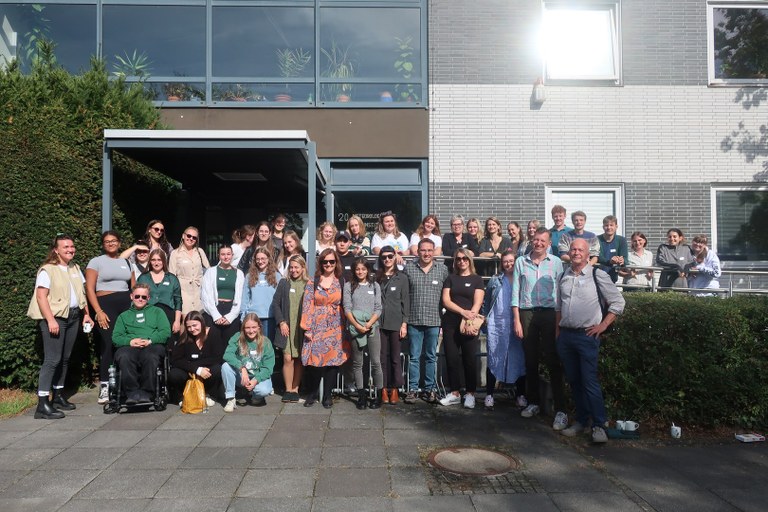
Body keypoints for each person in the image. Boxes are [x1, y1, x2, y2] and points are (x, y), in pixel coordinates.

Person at [557, 238, 625, 443]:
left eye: (580, 250)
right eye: (573, 249)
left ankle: (599, 425)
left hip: (587, 336)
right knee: (575, 382)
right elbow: (558, 308)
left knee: (589, 382)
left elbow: (618, 302)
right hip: (566, 336)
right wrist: (557, 335)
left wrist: (603, 326)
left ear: (588, 255)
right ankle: (581, 421)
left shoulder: (598, 274)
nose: (576, 252)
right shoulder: (563, 275)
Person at [28, 235, 93, 419]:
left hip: (72, 317)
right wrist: (50, 320)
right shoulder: (47, 270)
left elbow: (81, 293)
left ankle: (57, 397)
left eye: (72, 246)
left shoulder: (74, 268)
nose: (70, 249)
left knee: (65, 359)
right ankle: (42, 405)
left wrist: (86, 313)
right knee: (52, 360)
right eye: (66, 247)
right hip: (56, 318)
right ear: (56, 250)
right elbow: (41, 297)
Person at [511, 228, 568, 430]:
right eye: (536, 240)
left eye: (543, 240)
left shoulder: (556, 262)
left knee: (553, 359)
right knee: (531, 359)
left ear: (548, 243)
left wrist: (559, 320)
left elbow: (561, 292)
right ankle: (533, 402)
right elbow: (515, 292)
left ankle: (561, 409)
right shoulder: (520, 262)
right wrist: (516, 320)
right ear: (531, 241)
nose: (538, 243)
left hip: (549, 313)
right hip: (527, 312)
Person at [86, 230, 134, 404]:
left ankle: (124, 383)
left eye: (114, 241)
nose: (111, 243)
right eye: (107, 241)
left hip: (125, 306)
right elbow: (90, 289)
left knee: (126, 343)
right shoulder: (96, 261)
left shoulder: (126, 262)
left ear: (119, 243)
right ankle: (105, 386)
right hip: (105, 306)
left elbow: (134, 288)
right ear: (103, 244)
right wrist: (98, 311)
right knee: (108, 344)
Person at [402, 238, 449, 404]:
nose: (426, 253)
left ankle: (430, 389)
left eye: (430, 250)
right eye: (423, 250)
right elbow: (404, 296)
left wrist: (444, 321)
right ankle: (413, 389)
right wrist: (404, 321)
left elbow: (446, 297)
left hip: (434, 320)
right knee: (414, 357)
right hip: (414, 320)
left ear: (434, 251)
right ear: (418, 251)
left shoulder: (442, 270)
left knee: (431, 356)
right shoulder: (409, 269)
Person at [301, 248, 349, 408]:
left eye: (331, 261)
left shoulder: (341, 281)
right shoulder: (313, 281)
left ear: (336, 263)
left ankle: (328, 395)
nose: (328, 264)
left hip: (336, 326)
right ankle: (312, 393)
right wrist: (306, 328)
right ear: (320, 263)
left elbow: (346, 304)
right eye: (325, 261)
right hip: (316, 326)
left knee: (332, 362)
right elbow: (307, 305)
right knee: (314, 362)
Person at [439, 248, 485, 408]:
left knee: (469, 359)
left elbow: (478, 301)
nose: (461, 261)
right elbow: (446, 300)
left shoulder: (477, 279)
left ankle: (470, 393)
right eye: (458, 259)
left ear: (469, 260)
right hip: (451, 322)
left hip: (469, 323)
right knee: (451, 359)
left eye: (464, 259)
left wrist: (470, 317)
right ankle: (455, 393)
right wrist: (461, 311)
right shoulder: (450, 278)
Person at [481, 250, 526, 411]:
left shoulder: (523, 279)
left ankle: (520, 395)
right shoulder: (495, 280)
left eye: (511, 261)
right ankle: (489, 395)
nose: (509, 264)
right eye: (505, 261)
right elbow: (487, 302)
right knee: (494, 357)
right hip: (497, 324)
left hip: (516, 324)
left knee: (519, 358)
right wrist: (485, 321)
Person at [112, 283, 171, 404]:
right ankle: (132, 393)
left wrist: (150, 340)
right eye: (137, 296)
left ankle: (147, 392)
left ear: (148, 298)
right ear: (131, 296)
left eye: (144, 297)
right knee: (124, 356)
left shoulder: (157, 312)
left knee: (150, 356)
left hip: (152, 344)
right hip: (130, 345)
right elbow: (116, 337)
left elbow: (165, 332)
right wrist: (130, 341)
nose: (140, 299)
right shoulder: (123, 316)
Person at [344, 257, 383, 409]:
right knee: (357, 363)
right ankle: (361, 396)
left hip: (372, 327)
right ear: (354, 270)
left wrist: (369, 323)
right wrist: (357, 326)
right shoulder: (349, 286)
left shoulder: (375, 286)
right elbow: (347, 308)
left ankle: (378, 395)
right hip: (355, 328)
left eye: (363, 269)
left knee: (376, 362)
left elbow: (378, 308)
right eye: (357, 269)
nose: (360, 272)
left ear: (368, 270)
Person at [272, 255, 309, 403]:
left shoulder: (308, 284)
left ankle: (295, 389)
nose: (293, 270)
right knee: (287, 358)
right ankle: (288, 389)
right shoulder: (284, 283)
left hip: (301, 327)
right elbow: (275, 304)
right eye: (291, 267)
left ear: (302, 268)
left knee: (299, 358)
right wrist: (281, 322)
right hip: (287, 326)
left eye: (296, 267)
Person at [169, 311, 226, 406]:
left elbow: (218, 356)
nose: (192, 329)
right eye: (189, 327)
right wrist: (196, 369)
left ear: (202, 323)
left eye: (195, 325)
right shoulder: (185, 337)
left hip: (208, 370)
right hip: (190, 372)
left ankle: (210, 395)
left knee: (217, 369)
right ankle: (181, 397)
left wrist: (199, 367)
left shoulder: (213, 333)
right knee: (174, 374)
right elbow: (176, 359)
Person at [376, 246, 410, 405]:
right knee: (381, 357)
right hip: (379, 324)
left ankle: (395, 388)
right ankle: (383, 388)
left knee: (396, 357)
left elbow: (406, 302)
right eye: (384, 257)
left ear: (395, 257)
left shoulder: (402, 277)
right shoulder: (377, 277)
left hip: (396, 323)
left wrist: (404, 324)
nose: (387, 260)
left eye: (390, 256)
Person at [221, 313, 275, 411]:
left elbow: (268, 367)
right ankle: (231, 398)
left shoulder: (266, 342)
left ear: (259, 327)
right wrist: (242, 368)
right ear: (243, 328)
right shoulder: (237, 337)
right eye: (247, 328)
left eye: (254, 327)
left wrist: (256, 380)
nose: (251, 331)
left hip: (257, 375)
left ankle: (255, 396)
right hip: (242, 376)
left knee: (263, 390)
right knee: (225, 366)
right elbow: (227, 355)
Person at [202, 245, 244, 344]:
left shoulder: (239, 273)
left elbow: (241, 297)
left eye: (228, 254)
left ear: (232, 255)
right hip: (214, 310)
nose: (226, 257)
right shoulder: (210, 272)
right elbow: (205, 295)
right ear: (218, 256)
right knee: (213, 343)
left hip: (232, 311)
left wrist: (231, 316)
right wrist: (216, 315)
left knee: (230, 344)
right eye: (223, 254)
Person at [241, 247, 282, 341]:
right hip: (254, 317)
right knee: (254, 346)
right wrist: (243, 316)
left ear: (268, 259)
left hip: (270, 317)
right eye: (258, 259)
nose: (260, 261)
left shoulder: (277, 276)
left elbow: (280, 298)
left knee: (267, 346)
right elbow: (245, 297)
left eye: (263, 259)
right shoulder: (249, 276)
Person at [169, 226, 210, 316]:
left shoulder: (200, 251)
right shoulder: (175, 253)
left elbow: (209, 270)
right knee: (185, 319)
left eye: (194, 237)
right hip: (183, 292)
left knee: (199, 320)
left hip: (199, 292)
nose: (191, 239)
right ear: (183, 236)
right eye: (189, 236)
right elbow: (171, 276)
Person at [596, 215, 628, 283]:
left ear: (616, 227)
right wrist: (610, 261)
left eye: (611, 225)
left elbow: (625, 258)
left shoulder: (621, 240)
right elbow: (598, 256)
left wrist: (622, 260)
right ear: (603, 227)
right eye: (606, 225)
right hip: (597, 277)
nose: (609, 227)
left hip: (613, 278)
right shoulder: (597, 239)